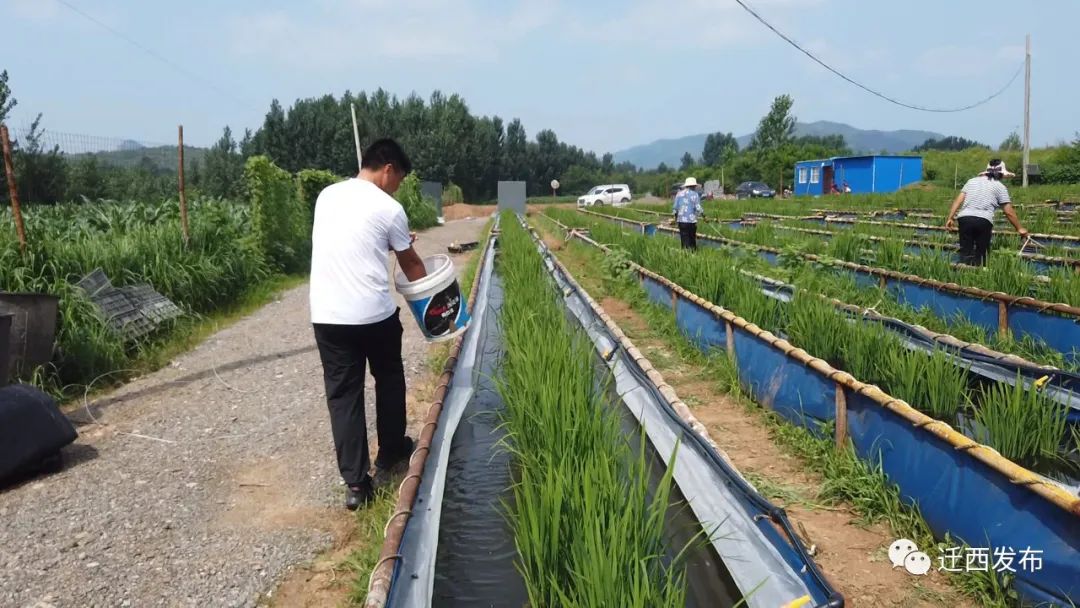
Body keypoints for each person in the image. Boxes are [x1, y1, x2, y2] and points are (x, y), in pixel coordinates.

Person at [309, 138, 428, 510]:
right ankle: (391, 451)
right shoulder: (389, 208)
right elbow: (410, 265)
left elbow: (352, 240)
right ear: (389, 168)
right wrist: (435, 305)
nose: (399, 187)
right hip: (373, 315)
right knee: (389, 376)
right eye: (401, 179)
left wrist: (392, 242)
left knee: (343, 396)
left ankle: (357, 486)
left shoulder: (326, 196)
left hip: (327, 316)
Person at [944, 159, 1029, 266]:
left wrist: (950, 218)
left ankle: (963, 274)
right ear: (1001, 174)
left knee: (965, 252)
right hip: (983, 220)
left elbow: (958, 200)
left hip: (964, 218)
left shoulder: (971, 181)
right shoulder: (1000, 187)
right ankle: (978, 274)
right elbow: (1009, 212)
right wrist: (1019, 228)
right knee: (981, 254)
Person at [672, 177, 704, 250]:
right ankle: (693, 253)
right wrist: (704, 216)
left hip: (681, 221)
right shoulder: (695, 194)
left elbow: (675, 208)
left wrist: (676, 219)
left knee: (684, 238)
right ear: (693, 186)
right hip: (691, 221)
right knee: (692, 238)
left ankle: (685, 254)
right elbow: (698, 207)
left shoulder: (679, 194)